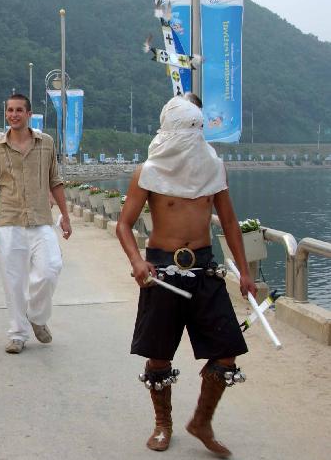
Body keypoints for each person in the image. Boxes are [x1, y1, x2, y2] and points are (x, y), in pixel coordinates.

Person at [116, 94, 255, 456]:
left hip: (206, 268)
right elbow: (124, 225)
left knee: (227, 352)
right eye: (187, 128)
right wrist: (137, 261)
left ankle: (202, 422)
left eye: (198, 129)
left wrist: (244, 270)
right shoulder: (148, 171)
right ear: (172, 131)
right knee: (159, 355)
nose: (194, 136)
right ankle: (163, 424)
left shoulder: (214, 169)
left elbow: (229, 222)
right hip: (162, 269)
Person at [0, 94, 72, 354]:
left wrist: (65, 215)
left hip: (41, 219)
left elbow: (55, 180)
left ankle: (37, 316)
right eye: (10, 110)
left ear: (29, 114)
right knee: (13, 281)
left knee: (51, 268)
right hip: (8, 221)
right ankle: (18, 333)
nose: (14, 114)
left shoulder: (46, 143)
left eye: (19, 110)